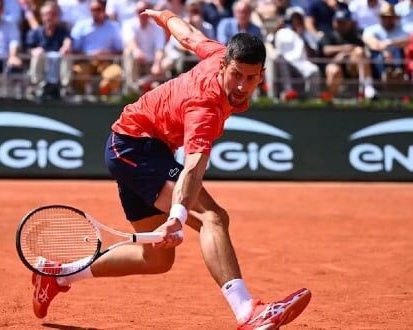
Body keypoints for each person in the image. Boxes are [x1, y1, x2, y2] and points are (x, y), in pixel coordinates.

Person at [31, 8, 312, 329]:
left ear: (261, 74)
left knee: (157, 259)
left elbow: (188, 35)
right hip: (134, 146)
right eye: (236, 75)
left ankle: (58, 274)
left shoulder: (221, 55)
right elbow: (193, 165)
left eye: (251, 78)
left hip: (142, 147)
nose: (241, 86)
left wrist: (164, 15)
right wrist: (178, 217)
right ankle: (247, 311)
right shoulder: (203, 106)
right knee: (212, 217)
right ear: (224, 66)